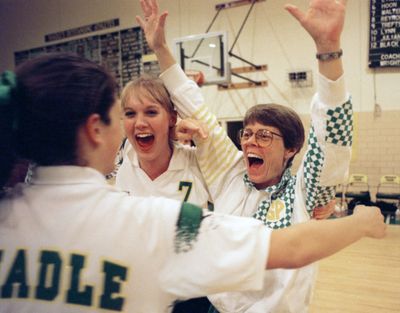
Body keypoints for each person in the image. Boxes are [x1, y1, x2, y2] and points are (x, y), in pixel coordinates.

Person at [0, 52, 386, 313]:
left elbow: (329, 149)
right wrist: (363, 221)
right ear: (94, 129)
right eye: (123, 114)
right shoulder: (153, 221)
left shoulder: (10, 220)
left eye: (265, 136)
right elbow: (291, 248)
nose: (132, 125)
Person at [136, 0, 354, 311]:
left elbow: (332, 140)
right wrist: (160, 48)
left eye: (265, 136)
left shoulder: (304, 190)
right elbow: (195, 106)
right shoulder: (231, 172)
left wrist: (328, 47)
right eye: (247, 134)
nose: (251, 142)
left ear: (291, 148)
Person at [114, 74, 212, 213]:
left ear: (172, 118)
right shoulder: (126, 155)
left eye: (151, 112)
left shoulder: (196, 163)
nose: (140, 123)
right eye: (130, 114)